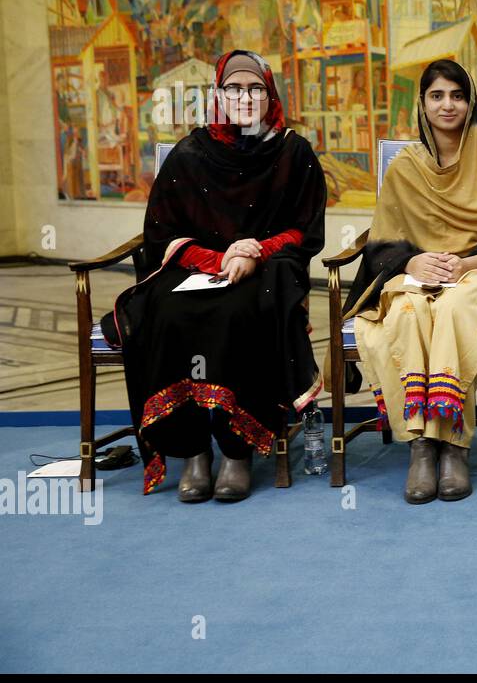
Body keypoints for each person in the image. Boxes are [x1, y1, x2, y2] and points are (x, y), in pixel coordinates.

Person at [103, 50, 326, 501]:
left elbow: (305, 229)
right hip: (197, 267)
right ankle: (193, 453)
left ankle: (237, 451)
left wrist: (256, 251)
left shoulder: (292, 152)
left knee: (241, 310)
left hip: (265, 271)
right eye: (234, 89)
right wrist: (219, 259)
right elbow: (160, 235)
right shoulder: (190, 155)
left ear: (270, 94)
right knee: (167, 310)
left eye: (255, 88)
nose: (245, 97)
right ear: (219, 95)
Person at [339, 59, 477, 504]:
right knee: (406, 312)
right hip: (417, 273)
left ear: (472, 103)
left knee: (453, 309)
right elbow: (383, 241)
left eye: (458, 96)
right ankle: (421, 446)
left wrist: (467, 266)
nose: (448, 105)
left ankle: (455, 445)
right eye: (437, 95)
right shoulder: (406, 169)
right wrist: (412, 262)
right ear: (422, 104)